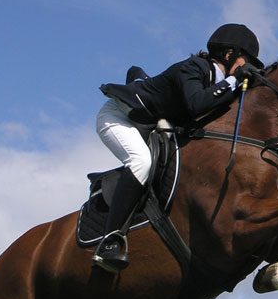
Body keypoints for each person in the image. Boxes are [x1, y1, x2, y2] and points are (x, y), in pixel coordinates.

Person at [92, 23, 264, 272]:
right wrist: (234, 79)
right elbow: (196, 105)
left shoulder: (219, 83)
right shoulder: (193, 67)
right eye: (245, 61)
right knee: (141, 161)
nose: (246, 68)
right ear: (229, 54)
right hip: (119, 118)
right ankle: (110, 240)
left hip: (152, 124)